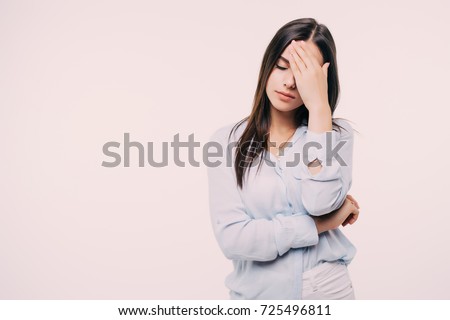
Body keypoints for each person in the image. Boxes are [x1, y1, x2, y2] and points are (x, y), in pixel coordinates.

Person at [206, 17, 360, 300]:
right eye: (282, 67)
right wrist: (317, 225)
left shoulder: (337, 135)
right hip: (257, 297)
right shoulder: (225, 142)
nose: (289, 82)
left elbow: (320, 202)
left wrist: (319, 110)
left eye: (303, 74)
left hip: (327, 291)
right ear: (268, 65)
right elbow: (233, 240)